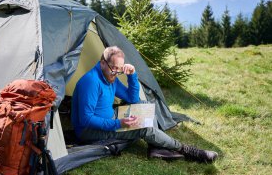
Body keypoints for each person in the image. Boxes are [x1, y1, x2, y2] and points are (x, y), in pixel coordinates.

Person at [71, 46, 218, 163]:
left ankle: (155, 149)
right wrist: (118, 124)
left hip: (110, 118)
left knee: (145, 106)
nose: (115, 73)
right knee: (145, 128)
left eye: (119, 70)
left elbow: (132, 98)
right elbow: (86, 119)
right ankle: (188, 150)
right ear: (102, 62)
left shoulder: (110, 76)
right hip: (89, 131)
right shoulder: (91, 81)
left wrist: (132, 75)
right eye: (113, 68)